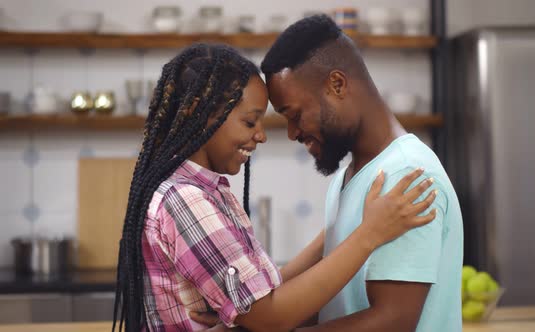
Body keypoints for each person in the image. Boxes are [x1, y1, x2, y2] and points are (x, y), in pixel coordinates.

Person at [112, 43, 437, 331]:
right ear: (203, 113)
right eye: (250, 122)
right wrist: (369, 235)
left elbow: (265, 292)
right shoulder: (186, 200)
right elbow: (272, 316)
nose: (261, 136)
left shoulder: (201, 191)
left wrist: (340, 229)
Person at [194, 15, 464, 331]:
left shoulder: (404, 174)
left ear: (337, 84)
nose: (292, 133)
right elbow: (332, 303)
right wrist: (245, 316)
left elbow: (393, 321)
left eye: (295, 115)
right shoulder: (351, 177)